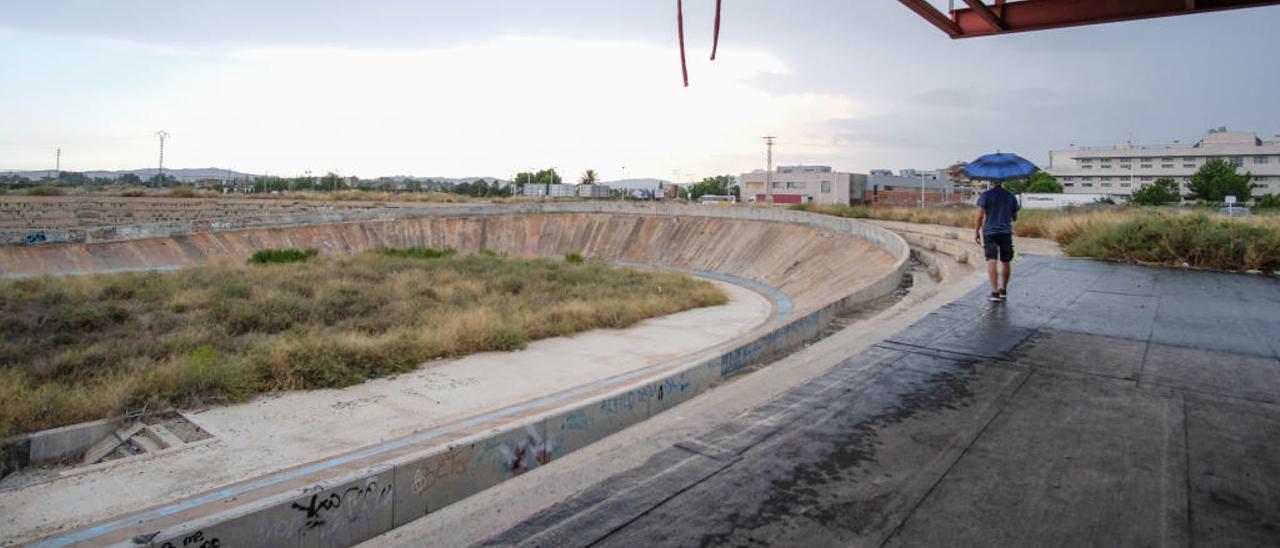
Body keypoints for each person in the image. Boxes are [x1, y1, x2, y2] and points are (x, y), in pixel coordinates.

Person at [974, 180, 1020, 303]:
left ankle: (994, 292)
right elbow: (1014, 217)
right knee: (1006, 261)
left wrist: (977, 230)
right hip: (1005, 232)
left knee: (992, 259)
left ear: (991, 181)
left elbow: (980, 215)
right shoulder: (1010, 196)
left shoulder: (985, 195)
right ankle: (1003, 290)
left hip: (990, 232)